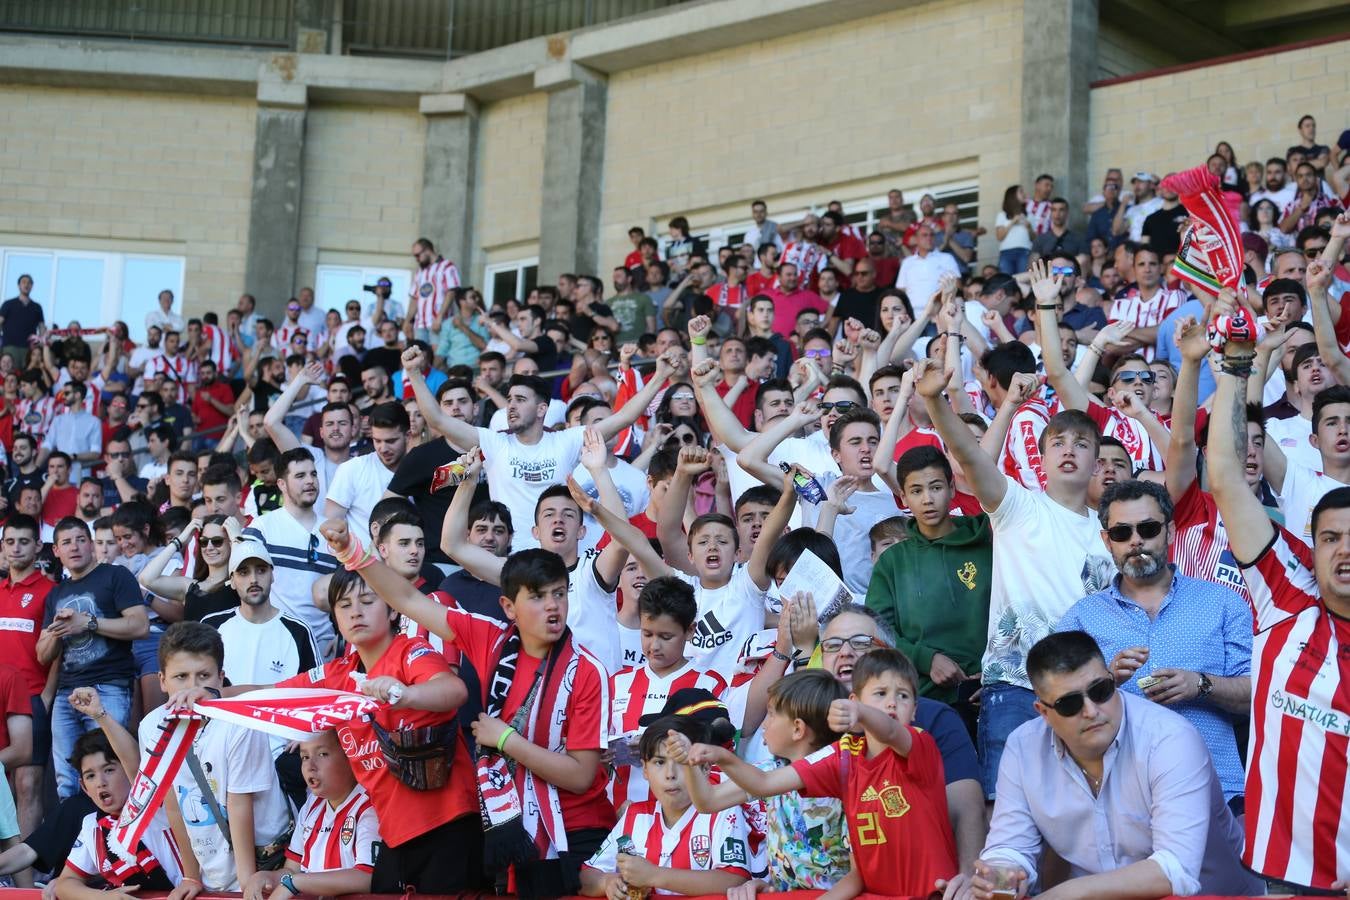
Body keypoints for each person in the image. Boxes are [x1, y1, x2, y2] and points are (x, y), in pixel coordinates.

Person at [916, 355, 1116, 798]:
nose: (1069, 450)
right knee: (1006, 816)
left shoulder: (1111, 535)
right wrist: (934, 400)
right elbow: (969, 456)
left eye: (1081, 444)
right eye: (1058, 442)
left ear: (1097, 463)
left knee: (1086, 814)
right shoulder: (1017, 506)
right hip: (1014, 688)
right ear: (1041, 457)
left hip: (1087, 693)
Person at [1206, 290, 1350, 892]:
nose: (1344, 550)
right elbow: (1226, 480)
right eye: (1331, 538)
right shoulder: (1285, 594)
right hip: (1284, 877)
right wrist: (1239, 372)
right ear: (1307, 548)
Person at [970, 630, 1263, 899]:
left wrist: (1066, 894)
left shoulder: (1169, 738)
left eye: (1100, 691)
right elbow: (1011, 848)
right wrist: (999, 881)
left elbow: (1176, 869)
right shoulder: (1024, 748)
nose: (1091, 711)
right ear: (1043, 712)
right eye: (1069, 704)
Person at [688, 647, 958, 897]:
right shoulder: (844, 755)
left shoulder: (920, 744)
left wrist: (860, 712)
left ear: (914, 710)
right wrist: (717, 756)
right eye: (880, 694)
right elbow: (762, 783)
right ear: (855, 698)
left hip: (930, 893)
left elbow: (889, 731)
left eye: (903, 696)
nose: (891, 704)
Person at [1054, 479, 1252, 805]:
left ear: (1170, 532)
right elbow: (1056, 711)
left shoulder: (1223, 602)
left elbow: (1258, 696)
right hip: (1118, 796)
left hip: (1215, 788)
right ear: (1107, 540)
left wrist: (1201, 684)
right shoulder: (1081, 618)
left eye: (1148, 529)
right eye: (1122, 533)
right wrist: (1105, 682)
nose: (1135, 541)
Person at [404, 345, 673, 550]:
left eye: (520, 399)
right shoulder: (495, 443)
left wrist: (660, 375)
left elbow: (624, 418)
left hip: (558, 558)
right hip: (506, 558)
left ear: (542, 408)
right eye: (509, 399)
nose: (511, 406)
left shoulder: (565, 441)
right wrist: (415, 373)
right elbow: (437, 419)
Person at [142, 622, 293, 892]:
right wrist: (190, 876)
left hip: (265, 859)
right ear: (162, 680)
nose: (192, 687)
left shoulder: (240, 723)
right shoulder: (152, 726)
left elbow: (239, 804)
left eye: (203, 675)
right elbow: (173, 804)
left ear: (220, 678)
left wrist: (245, 882)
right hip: (212, 865)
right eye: (181, 677)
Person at [867, 445, 991, 707]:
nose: (927, 499)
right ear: (903, 498)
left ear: (952, 488)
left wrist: (996, 672)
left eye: (936, 487)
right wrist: (927, 659)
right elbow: (876, 633)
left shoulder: (989, 543)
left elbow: (1017, 612)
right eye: (916, 491)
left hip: (994, 688)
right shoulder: (892, 562)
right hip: (920, 698)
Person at [579, 715, 754, 899]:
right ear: (645, 769)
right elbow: (586, 876)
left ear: (705, 769)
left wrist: (653, 875)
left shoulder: (722, 811)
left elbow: (734, 881)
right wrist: (607, 882)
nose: (670, 774)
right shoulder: (634, 815)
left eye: (681, 762)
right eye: (659, 762)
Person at [36, 518, 150, 798]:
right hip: (66, 694)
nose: (74, 547)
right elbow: (42, 655)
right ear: (56, 552)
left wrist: (87, 623)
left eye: (80, 539)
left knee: (109, 770)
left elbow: (140, 626)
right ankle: (76, 841)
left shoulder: (115, 575)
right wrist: (56, 631)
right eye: (66, 542)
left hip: (108, 686)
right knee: (67, 779)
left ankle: (112, 838)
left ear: (91, 543)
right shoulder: (56, 594)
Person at [607, 576, 727, 807]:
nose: (654, 645)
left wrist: (656, 744)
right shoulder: (618, 682)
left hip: (683, 817)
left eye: (665, 637)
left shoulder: (709, 684)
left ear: (690, 630)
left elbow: (718, 752)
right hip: (619, 815)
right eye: (647, 634)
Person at [48, 721, 182, 895]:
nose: (100, 783)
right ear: (83, 787)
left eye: (109, 770)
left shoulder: (157, 804)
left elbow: (133, 757)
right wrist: (102, 897)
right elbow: (66, 883)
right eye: (90, 776)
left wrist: (99, 715)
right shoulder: (92, 826)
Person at [243, 728, 379, 900]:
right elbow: (292, 870)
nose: (310, 766)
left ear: (350, 756)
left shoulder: (369, 806)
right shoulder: (311, 806)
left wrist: (296, 883)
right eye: (305, 757)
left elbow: (367, 877)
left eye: (322, 754)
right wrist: (266, 877)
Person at [243, 448, 339, 656]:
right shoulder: (262, 528)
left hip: (323, 643)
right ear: (281, 484)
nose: (310, 481)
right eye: (300, 475)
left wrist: (343, 636)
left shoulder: (334, 531)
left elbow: (348, 590)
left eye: (313, 474)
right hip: (274, 638)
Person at [199, 538, 318, 686]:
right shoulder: (211, 626)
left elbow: (316, 689)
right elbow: (196, 684)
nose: (253, 580)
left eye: (261, 570)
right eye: (243, 573)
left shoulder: (299, 630)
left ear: (272, 575)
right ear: (233, 581)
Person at [323, 401, 409, 535]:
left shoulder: (421, 469)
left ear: (407, 436)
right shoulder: (352, 469)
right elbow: (330, 527)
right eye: (377, 441)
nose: (383, 448)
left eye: (391, 441)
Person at [138, 515, 240, 623]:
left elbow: (245, 573)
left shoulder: (240, 584)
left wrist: (237, 539)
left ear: (230, 543)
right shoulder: (188, 587)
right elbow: (146, 579)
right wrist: (179, 541)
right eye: (204, 542)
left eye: (217, 541)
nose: (209, 547)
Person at [0, 274, 44, 366]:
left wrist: (40, 345)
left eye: (29, 283)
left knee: (26, 376)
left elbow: (42, 329)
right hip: (10, 346)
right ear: (19, 285)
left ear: (32, 286)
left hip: (29, 349)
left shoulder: (37, 307)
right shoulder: (8, 304)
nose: (26, 285)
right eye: (23, 282)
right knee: (9, 374)